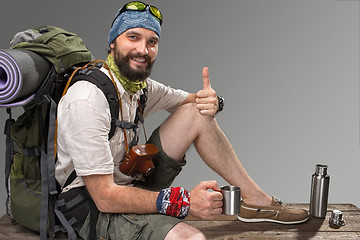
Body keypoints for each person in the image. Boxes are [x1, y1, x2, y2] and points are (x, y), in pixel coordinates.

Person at [55, 1, 309, 239]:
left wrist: (215, 102)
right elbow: (105, 197)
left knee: (196, 113)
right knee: (192, 237)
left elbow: (192, 102)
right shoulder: (86, 100)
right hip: (92, 208)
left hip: (130, 182)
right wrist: (181, 201)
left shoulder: (139, 87)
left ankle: (257, 202)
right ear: (112, 42)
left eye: (152, 42)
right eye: (133, 37)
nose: (143, 50)